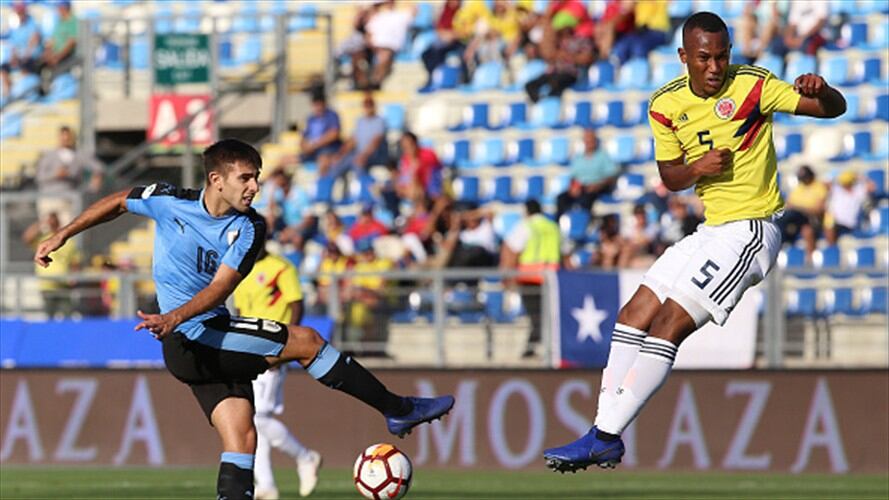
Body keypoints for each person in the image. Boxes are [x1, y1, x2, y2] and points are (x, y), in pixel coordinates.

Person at [34, 139, 455, 500]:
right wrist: (62, 234)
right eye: (246, 178)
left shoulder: (250, 228)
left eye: (257, 178)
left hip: (195, 334)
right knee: (307, 342)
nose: (255, 187)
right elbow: (118, 200)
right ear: (217, 180)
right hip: (194, 337)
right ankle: (397, 408)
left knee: (242, 437)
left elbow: (221, 288)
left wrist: (173, 316)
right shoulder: (169, 200)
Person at [543, 11, 845, 472]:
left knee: (669, 322)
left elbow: (832, 110)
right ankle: (601, 430)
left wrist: (821, 91)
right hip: (710, 231)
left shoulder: (753, 85)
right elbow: (670, 175)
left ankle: (605, 435)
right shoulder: (666, 105)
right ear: (684, 56)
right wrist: (697, 169)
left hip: (751, 230)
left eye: (722, 56)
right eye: (705, 58)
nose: (715, 67)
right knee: (634, 313)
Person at [232, 244, 321, 499]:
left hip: (273, 349)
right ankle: (267, 485)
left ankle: (305, 457)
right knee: (253, 421)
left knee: (258, 418)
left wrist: (288, 345)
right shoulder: (241, 270)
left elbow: (296, 305)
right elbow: (241, 313)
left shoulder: (281, 268)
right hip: (248, 351)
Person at [500, 199, 562, 358]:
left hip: (530, 278)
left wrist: (507, 277)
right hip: (551, 279)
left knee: (536, 315)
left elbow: (511, 250)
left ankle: (532, 348)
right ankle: (542, 347)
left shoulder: (525, 226)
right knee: (548, 314)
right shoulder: (553, 227)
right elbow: (564, 253)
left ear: (527, 211)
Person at [35, 126, 104, 224]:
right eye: (63, 137)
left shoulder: (79, 155)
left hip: (69, 198)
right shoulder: (48, 155)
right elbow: (40, 177)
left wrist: (94, 183)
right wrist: (55, 174)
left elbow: (98, 168)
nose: (65, 140)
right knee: (47, 227)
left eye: (68, 137)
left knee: (69, 226)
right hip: (49, 197)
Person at [22, 211, 80, 319]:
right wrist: (41, 223)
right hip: (47, 285)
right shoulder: (44, 239)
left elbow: (75, 262)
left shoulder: (67, 240)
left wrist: (74, 278)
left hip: (63, 285)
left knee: (67, 316)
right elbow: (27, 238)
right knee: (49, 317)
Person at [555, 127, 620, 220]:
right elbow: (573, 176)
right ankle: (561, 223)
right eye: (587, 140)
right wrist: (573, 188)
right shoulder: (578, 158)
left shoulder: (603, 156)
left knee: (585, 200)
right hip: (581, 187)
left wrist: (597, 186)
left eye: (591, 140)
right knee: (561, 198)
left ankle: (584, 222)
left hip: (597, 188)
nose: (589, 142)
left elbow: (611, 175)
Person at [329, 93, 389, 180]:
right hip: (360, 153)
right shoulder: (360, 121)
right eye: (366, 105)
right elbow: (353, 140)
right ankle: (328, 183)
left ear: (374, 106)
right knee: (338, 163)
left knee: (358, 163)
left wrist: (364, 155)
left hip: (375, 155)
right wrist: (339, 154)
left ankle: (367, 185)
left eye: (370, 105)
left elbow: (376, 141)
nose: (368, 108)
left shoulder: (380, 121)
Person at [777, 165, 828, 260]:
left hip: (811, 218)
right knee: (783, 218)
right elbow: (789, 204)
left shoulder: (819, 187)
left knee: (807, 230)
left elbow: (818, 209)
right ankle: (780, 244)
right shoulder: (799, 188)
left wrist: (799, 208)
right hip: (795, 218)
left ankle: (810, 258)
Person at [0, 1, 42, 98]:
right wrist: (14, 57)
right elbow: (13, 45)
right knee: (4, 68)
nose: (19, 14)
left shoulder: (32, 23)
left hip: (32, 56)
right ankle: (7, 95)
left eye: (20, 12)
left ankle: (26, 94)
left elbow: (33, 42)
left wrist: (24, 56)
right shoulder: (15, 26)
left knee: (25, 66)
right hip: (21, 55)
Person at [824, 170, 875, 245]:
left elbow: (872, 187)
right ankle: (832, 249)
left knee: (830, 226)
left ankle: (832, 249)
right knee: (829, 225)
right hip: (837, 222)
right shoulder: (837, 189)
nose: (845, 185)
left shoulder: (859, 190)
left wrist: (861, 177)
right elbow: (824, 184)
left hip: (850, 223)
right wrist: (835, 176)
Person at [299, 93, 342, 178]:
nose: (317, 107)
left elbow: (334, 134)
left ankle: (322, 184)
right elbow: (303, 138)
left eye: (319, 104)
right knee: (284, 160)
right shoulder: (310, 118)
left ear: (324, 104)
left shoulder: (332, 116)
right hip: (312, 151)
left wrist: (315, 145)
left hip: (329, 149)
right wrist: (305, 147)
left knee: (323, 162)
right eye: (315, 105)